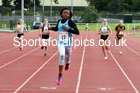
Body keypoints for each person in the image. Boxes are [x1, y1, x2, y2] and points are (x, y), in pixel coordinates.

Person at [48, 7, 79, 85]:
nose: (65, 14)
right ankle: (60, 76)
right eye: (64, 12)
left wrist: (68, 29)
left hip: (68, 43)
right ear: (61, 14)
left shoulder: (70, 22)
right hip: (60, 42)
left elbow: (77, 32)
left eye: (67, 13)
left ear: (69, 15)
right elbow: (56, 29)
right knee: (62, 55)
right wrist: (50, 28)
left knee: (67, 57)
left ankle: (68, 63)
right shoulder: (59, 21)